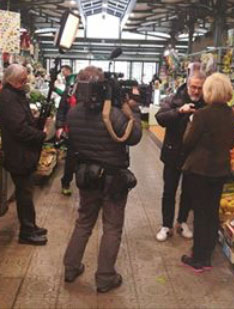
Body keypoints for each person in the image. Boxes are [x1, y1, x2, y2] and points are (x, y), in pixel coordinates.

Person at [63, 66, 142, 293]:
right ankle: (106, 277)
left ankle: (70, 267)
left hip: (87, 175)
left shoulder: (74, 113)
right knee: (112, 227)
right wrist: (132, 111)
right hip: (112, 178)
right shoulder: (115, 115)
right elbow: (134, 136)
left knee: (84, 222)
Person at [180, 73, 234, 272]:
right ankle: (207, 254)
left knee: (200, 213)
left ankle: (198, 258)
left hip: (199, 170)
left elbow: (187, 142)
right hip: (221, 169)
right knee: (212, 212)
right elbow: (231, 143)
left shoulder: (201, 115)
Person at [0, 64, 50, 246]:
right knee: (24, 192)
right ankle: (26, 232)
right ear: (12, 80)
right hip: (17, 153)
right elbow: (18, 129)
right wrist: (40, 135)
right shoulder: (8, 99)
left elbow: (24, 120)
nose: (25, 82)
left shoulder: (15, 95)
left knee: (26, 190)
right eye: (22, 80)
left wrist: (37, 122)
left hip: (22, 152)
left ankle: (31, 226)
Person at [155, 71, 206, 241]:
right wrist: (179, 111)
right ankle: (166, 225)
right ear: (187, 84)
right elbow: (160, 118)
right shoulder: (174, 99)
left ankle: (182, 222)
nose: (196, 91)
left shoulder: (207, 102)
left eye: (200, 88)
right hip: (173, 153)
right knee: (169, 190)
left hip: (194, 156)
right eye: (193, 87)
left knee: (189, 191)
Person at [55, 66, 77, 196]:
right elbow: (62, 109)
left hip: (87, 132)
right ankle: (66, 182)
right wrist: (59, 126)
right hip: (72, 131)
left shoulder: (94, 93)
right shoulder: (69, 91)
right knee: (71, 159)